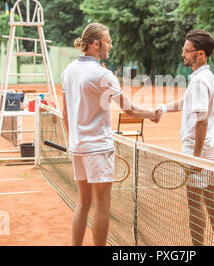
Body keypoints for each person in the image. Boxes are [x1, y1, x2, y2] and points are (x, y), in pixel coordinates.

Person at [61, 22, 161, 246]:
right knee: (102, 206)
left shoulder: (68, 71)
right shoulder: (103, 74)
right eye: (108, 42)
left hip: (78, 148)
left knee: (83, 203)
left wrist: (72, 141)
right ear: (96, 44)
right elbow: (130, 109)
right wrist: (152, 113)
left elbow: (65, 112)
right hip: (98, 148)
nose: (111, 46)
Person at [157, 29, 214, 246]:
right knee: (211, 200)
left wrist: (194, 157)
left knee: (194, 204)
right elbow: (187, 101)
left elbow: (202, 120)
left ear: (201, 54)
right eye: (184, 50)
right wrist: (162, 109)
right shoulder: (207, 77)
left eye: (187, 51)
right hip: (211, 148)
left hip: (197, 150)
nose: (183, 54)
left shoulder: (199, 81)